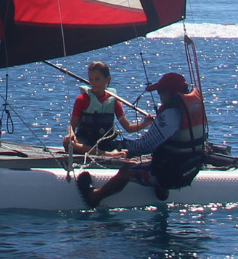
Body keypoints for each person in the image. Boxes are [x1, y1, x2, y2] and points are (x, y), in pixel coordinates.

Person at [75, 72, 208, 208]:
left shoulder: (169, 116)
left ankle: (94, 197)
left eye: (160, 92)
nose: (160, 96)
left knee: (126, 170)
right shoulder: (192, 109)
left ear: (169, 93)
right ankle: (162, 192)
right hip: (191, 169)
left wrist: (123, 145)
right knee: (164, 153)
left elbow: (144, 147)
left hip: (171, 175)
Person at [64, 61, 151, 154]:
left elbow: (128, 128)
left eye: (97, 79)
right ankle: (105, 154)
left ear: (107, 80)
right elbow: (71, 126)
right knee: (67, 142)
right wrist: (71, 133)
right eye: (91, 79)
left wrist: (145, 123)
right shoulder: (82, 99)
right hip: (86, 142)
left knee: (138, 145)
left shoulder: (113, 100)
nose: (93, 83)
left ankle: (105, 152)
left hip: (106, 142)